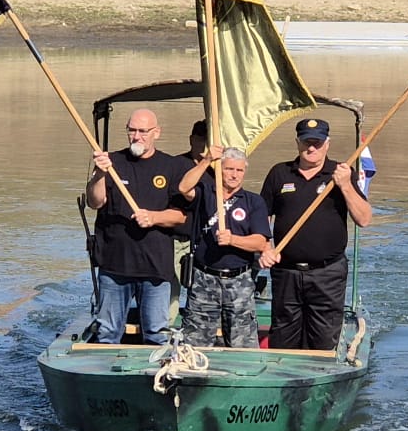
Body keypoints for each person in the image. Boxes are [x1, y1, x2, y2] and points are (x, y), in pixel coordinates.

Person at [260, 116, 372, 351]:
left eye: (317, 143)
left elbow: (364, 219)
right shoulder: (279, 174)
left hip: (327, 274)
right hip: (286, 273)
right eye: (306, 142)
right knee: (283, 337)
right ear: (297, 142)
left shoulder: (341, 173)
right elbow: (262, 219)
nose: (311, 148)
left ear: (327, 144)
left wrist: (345, 185)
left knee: (322, 340)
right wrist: (265, 248)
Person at [86, 108, 186, 343]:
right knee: (107, 333)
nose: (137, 136)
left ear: (156, 133)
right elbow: (95, 202)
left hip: (155, 268)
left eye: (143, 131)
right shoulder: (111, 162)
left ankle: (153, 378)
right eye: (132, 130)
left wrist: (154, 217)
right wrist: (99, 174)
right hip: (114, 267)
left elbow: (182, 217)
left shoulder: (172, 166)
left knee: (156, 334)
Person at [176, 146, 271, 348]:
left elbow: (260, 242)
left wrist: (233, 240)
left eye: (239, 170)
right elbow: (183, 188)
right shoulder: (205, 193)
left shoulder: (253, 201)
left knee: (243, 344)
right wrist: (207, 160)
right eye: (229, 169)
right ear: (219, 170)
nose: (234, 175)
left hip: (240, 281)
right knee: (195, 344)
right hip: (204, 279)